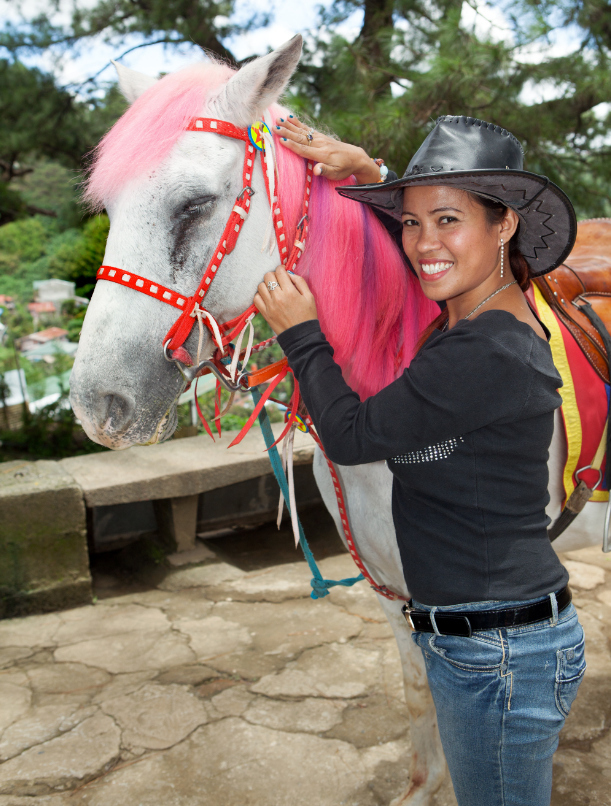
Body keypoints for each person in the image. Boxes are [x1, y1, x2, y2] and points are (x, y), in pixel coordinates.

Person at [253, 115, 586, 806]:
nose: (423, 244)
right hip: (490, 640)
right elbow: (424, 254)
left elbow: (347, 435)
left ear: (504, 226)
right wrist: (368, 174)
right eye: (409, 224)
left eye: (446, 221)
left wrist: (301, 335)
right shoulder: (478, 317)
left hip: (497, 653)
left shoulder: (482, 351)